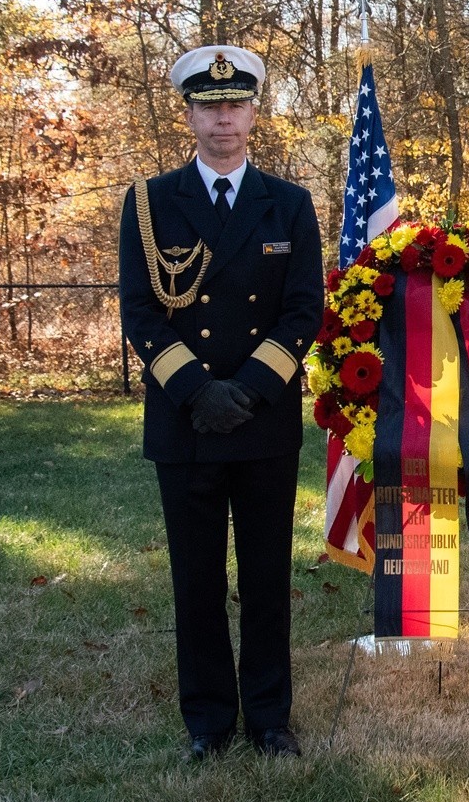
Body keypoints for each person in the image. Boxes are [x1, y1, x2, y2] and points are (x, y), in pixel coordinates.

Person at [118, 45, 324, 760]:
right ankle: (208, 721)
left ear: (254, 114)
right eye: (210, 106)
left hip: (262, 422)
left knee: (267, 577)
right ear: (190, 114)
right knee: (197, 579)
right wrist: (198, 390)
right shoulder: (147, 203)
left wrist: (250, 389)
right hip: (186, 423)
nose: (223, 118)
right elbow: (141, 313)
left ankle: (269, 718)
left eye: (235, 105)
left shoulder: (290, 205)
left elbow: (304, 312)